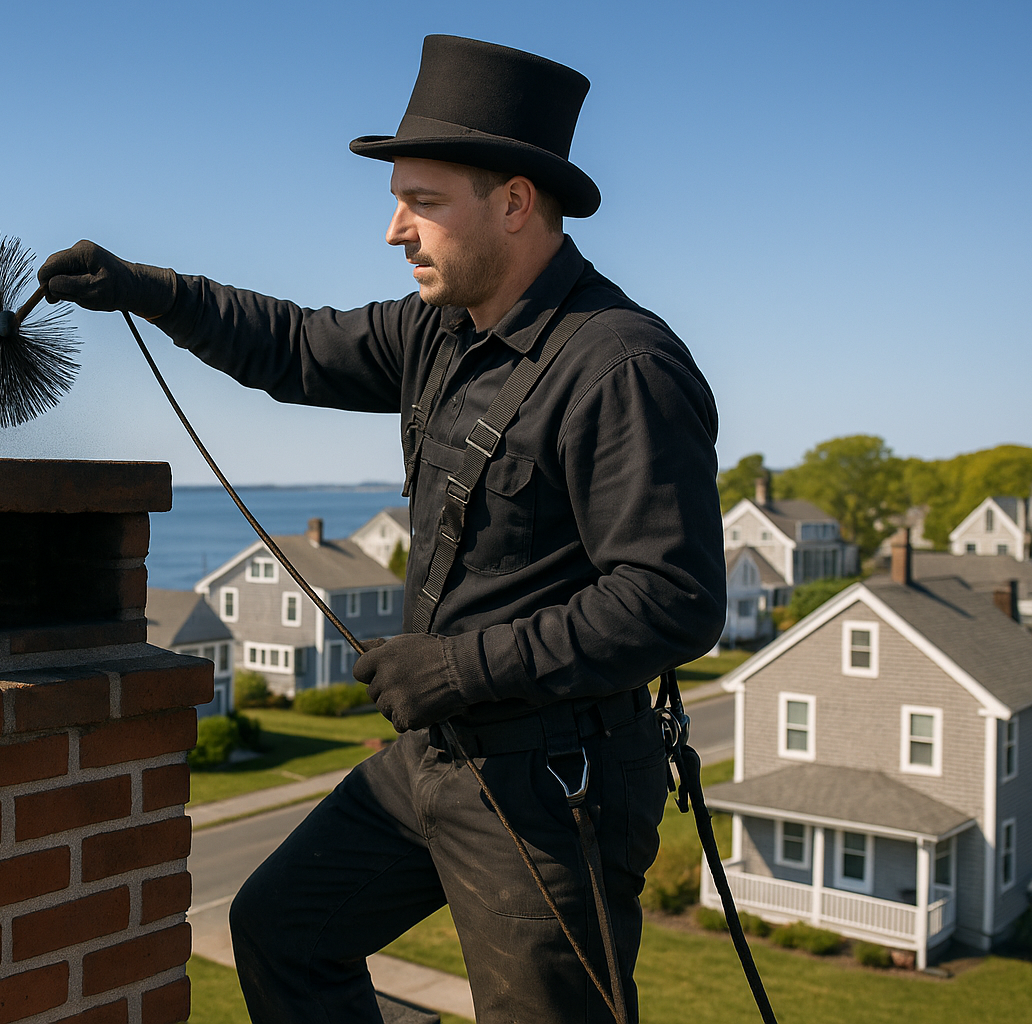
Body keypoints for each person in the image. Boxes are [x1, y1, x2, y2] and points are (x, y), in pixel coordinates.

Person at [38, 34, 724, 1024]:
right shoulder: (437, 332)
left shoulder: (620, 366)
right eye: (398, 198)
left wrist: (460, 668)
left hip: (555, 788)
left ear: (516, 203)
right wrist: (143, 287)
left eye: (424, 201)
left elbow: (672, 600)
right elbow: (290, 345)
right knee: (282, 927)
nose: (396, 229)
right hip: (439, 760)